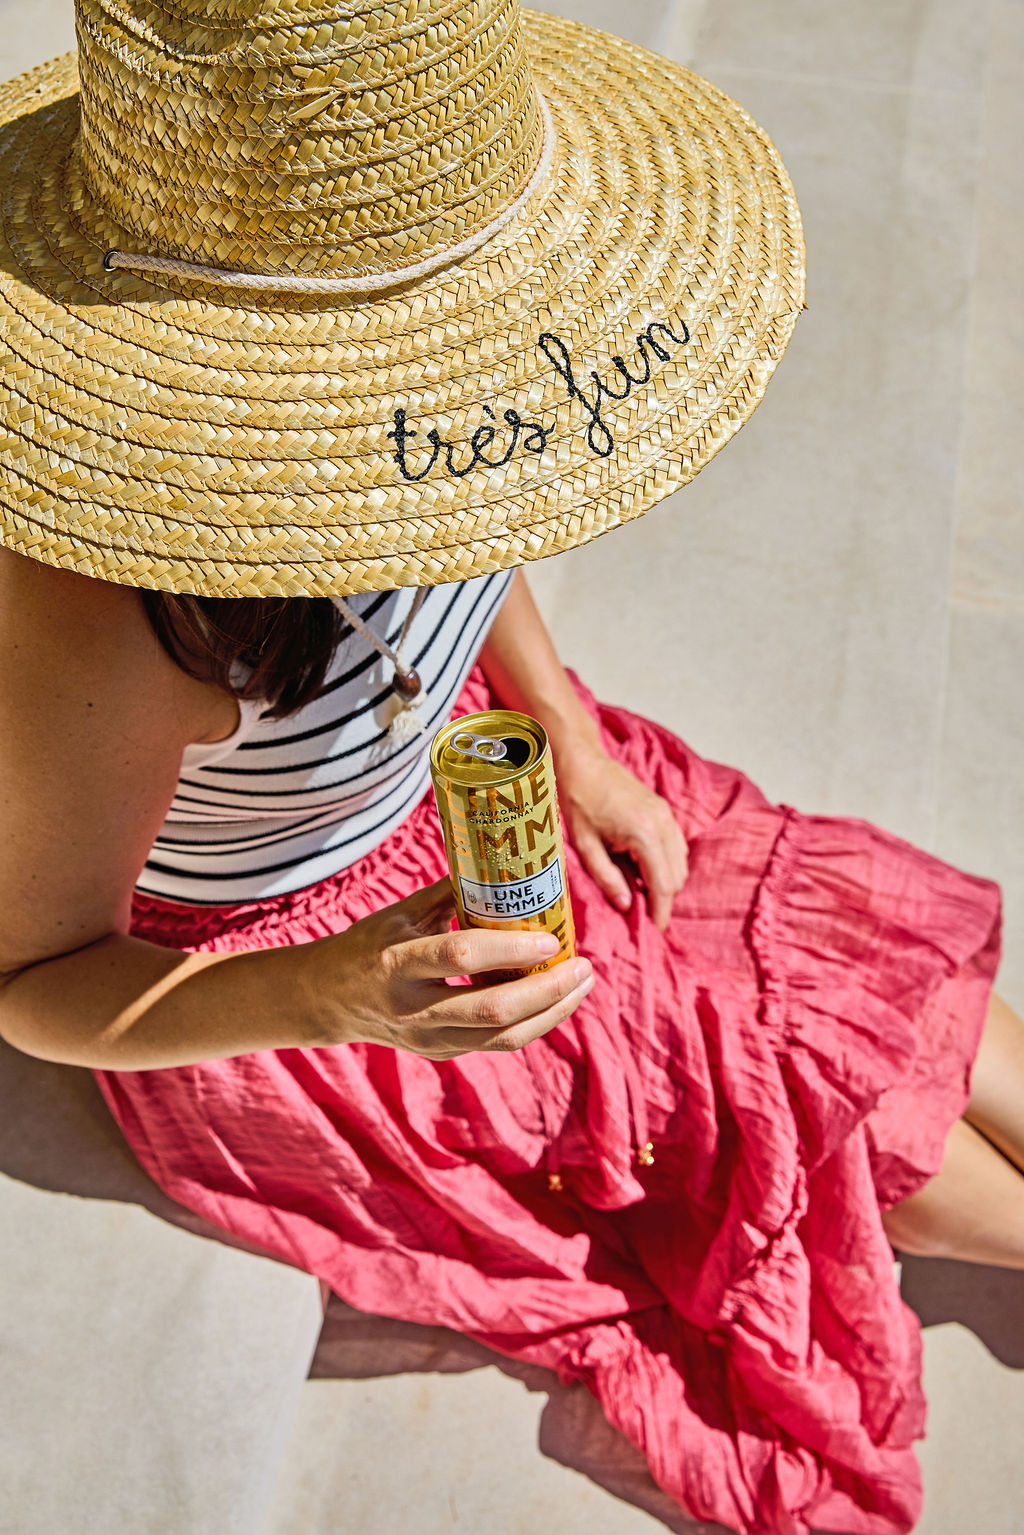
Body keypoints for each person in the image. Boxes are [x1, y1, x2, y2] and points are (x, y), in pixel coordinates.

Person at [0, 4, 1021, 1533]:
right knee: (843, 1130)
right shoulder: (101, 624)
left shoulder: (438, 421)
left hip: (483, 780)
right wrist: (330, 992)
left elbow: (461, 507)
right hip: (291, 973)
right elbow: (34, 985)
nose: (461, 410)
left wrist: (569, 728)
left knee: (899, 1014)